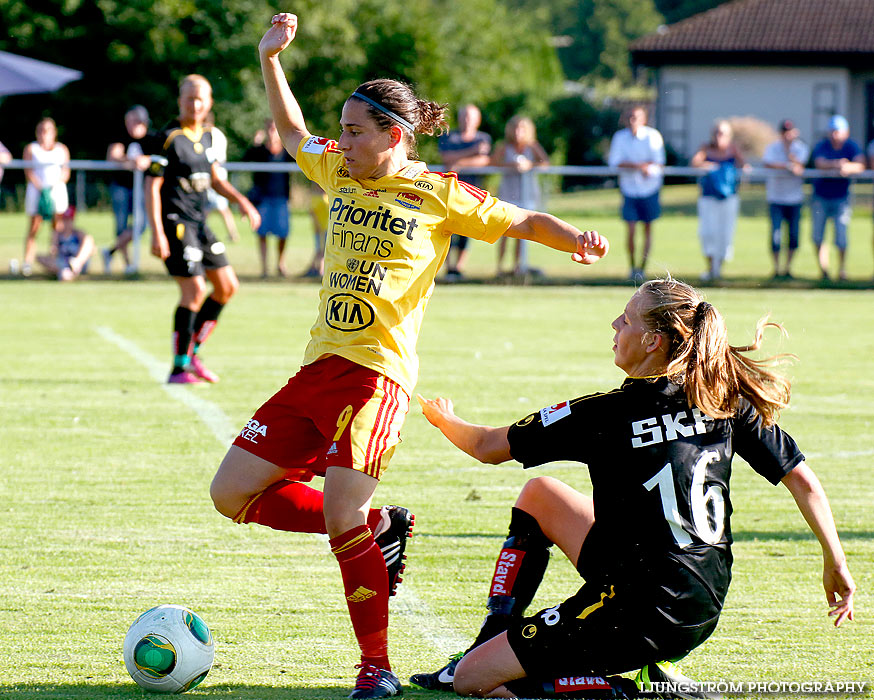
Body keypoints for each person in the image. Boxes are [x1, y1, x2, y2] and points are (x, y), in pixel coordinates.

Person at [208, 13, 609, 700]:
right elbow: (291, 133)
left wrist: (573, 237)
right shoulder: (339, 170)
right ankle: (379, 528)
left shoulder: (439, 193)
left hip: (376, 379)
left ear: (394, 134)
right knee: (231, 494)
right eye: (344, 130)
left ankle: (377, 668)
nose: (345, 142)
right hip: (314, 371)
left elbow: (521, 220)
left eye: (357, 131)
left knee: (337, 517)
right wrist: (270, 60)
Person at [412, 277, 856, 699]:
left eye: (626, 319)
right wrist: (834, 559)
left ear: (652, 341)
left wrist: (443, 419)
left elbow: (488, 446)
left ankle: (640, 689)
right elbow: (803, 480)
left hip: (638, 609)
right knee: (540, 495)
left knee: (475, 682)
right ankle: (494, 640)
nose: (615, 325)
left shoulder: (604, 416)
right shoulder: (722, 398)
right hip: (702, 600)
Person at [147, 74, 260, 384]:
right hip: (175, 223)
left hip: (200, 223)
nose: (194, 104)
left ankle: (193, 350)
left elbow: (215, 178)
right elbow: (151, 186)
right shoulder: (167, 138)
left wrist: (241, 201)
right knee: (195, 290)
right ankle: (178, 367)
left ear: (209, 103)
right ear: (179, 100)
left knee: (227, 287)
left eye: (200, 99)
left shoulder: (208, 137)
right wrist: (156, 231)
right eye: (188, 98)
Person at [607, 105, 665, 284]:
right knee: (630, 229)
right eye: (630, 117)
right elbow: (615, 163)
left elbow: (658, 163)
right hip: (629, 190)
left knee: (647, 229)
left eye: (636, 117)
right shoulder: (620, 137)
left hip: (649, 190)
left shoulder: (653, 136)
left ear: (644, 119)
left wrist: (643, 167)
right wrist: (640, 166)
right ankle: (632, 267)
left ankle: (643, 268)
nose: (633, 121)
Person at [438, 104, 492, 280]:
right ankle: (448, 267)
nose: (467, 120)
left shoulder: (483, 138)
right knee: (446, 229)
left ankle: (458, 267)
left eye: (471, 116)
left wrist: (460, 163)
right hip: (450, 190)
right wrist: (472, 153)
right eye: (464, 116)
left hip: (472, 191)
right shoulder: (449, 136)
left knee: (466, 230)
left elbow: (485, 160)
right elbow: (446, 158)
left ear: (478, 120)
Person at [493, 116, 550, 278]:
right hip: (508, 193)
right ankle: (499, 266)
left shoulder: (532, 147)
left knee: (521, 232)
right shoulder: (504, 147)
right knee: (502, 229)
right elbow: (493, 163)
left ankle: (518, 266)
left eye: (522, 129)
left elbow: (545, 164)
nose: (518, 132)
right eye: (516, 128)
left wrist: (530, 166)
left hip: (526, 194)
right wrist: (512, 166)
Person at [810, 115, 864, 281]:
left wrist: (848, 167)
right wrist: (836, 164)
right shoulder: (822, 145)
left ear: (845, 132)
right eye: (832, 131)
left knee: (841, 236)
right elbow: (818, 162)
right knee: (818, 236)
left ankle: (841, 270)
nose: (835, 135)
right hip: (821, 196)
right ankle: (824, 271)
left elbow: (860, 164)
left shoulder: (851, 146)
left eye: (838, 131)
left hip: (841, 198)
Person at [690, 121, 746, 282]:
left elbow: (744, 164)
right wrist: (708, 165)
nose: (719, 136)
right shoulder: (706, 148)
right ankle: (710, 267)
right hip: (708, 197)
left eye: (723, 133)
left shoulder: (733, 150)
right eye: (716, 133)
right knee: (708, 232)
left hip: (728, 198)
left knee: (725, 233)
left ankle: (718, 269)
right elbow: (695, 162)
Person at [105, 105, 154, 275]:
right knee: (121, 225)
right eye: (129, 121)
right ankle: (128, 266)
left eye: (135, 121)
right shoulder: (120, 136)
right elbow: (113, 156)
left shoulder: (151, 139)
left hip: (141, 189)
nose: (131, 124)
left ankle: (110, 252)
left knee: (141, 225)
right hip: (121, 187)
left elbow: (155, 159)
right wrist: (130, 161)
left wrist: (144, 160)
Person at [244, 119, 293, 277]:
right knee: (262, 233)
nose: (272, 132)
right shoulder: (259, 151)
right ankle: (264, 268)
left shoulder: (286, 151)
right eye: (270, 128)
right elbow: (245, 160)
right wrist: (255, 144)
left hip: (281, 199)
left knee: (283, 234)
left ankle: (280, 263)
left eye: (275, 128)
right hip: (263, 199)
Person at [22, 118, 70, 278]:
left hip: (56, 192)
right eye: (41, 130)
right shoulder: (31, 149)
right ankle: (27, 263)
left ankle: (54, 261)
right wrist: (42, 189)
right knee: (34, 228)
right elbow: (29, 172)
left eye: (47, 130)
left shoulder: (61, 149)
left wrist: (52, 187)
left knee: (57, 229)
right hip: (37, 192)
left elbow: (66, 172)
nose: (44, 134)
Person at [762, 119, 809, 280]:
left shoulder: (800, 148)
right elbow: (767, 163)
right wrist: (785, 166)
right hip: (776, 198)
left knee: (794, 235)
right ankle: (776, 268)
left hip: (794, 199)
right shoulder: (773, 148)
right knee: (775, 235)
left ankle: (788, 268)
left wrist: (791, 157)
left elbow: (800, 167)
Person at [204, 115, 241, 243]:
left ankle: (232, 234)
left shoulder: (212, 135)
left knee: (219, 208)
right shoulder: (218, 134)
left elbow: (213, 158)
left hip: (215, 178)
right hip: (216, 176)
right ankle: (232, 233)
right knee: (213, 209)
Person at [36, 206, 95, 281]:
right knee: (40, 258)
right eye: (65, 220)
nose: (67, 222)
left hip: (78, 262)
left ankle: (75, 266)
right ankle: (65, 272)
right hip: (62, 262)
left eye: (69, 220)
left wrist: (77, 261)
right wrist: (54, 246)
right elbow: (53, 251)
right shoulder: (58, 234)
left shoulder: (79, 234)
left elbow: (91, 248)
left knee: (88, 240)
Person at [304, 182, 328, 278]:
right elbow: (313, 214)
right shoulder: (316, 198)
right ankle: (318, 270)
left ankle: (317, 269)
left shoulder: (326, 196)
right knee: (320, 249)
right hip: (320, 229)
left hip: (327, 228)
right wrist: (318, 227)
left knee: (322, 249)